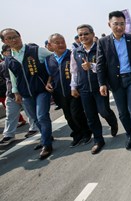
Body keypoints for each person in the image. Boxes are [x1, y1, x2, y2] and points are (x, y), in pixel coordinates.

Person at [96, 11, 131, 155]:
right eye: (116, 24)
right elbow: (100, 64)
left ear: (125, 24)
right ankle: (129, 134)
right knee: (123, 113)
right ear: (109, 24)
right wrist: (102, 83)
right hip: (115, 81)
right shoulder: (103, 42)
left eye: (122, 24)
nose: (119, 27)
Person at [1, 28, 53, 159]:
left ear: (20, 36)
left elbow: (54, 61)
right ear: (5, 41)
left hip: (41, 90)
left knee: (42, 116)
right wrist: (16, 92)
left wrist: (50, 80)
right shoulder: (8, 59)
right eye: (9, 38)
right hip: (25, 94)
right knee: (35, 118)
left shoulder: (36, 50)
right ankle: (46, 137)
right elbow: (13, 77)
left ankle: (46, 144)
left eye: (15, 36)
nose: (14, 40)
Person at [70, 24, 118, 154]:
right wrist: (74, 86)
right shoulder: (75, 52)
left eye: (86, 34)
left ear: (92, 34)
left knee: (104, 111)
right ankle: (98, 140)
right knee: (90, 116)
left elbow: (107, 67)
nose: (83, 37)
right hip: (84, 88)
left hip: (100, 86)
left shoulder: (100, 48)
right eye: (80, 35)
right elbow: (74, 71)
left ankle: (113, 123)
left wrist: (91, 65)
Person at [45, 33, 92, 147]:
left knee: (77, 114)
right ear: (50, 45)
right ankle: (77, 135)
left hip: (74, 90)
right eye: (57, 43)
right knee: (68, 116)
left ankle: (86, 133)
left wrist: (76, 87)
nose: (61, 44)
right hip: (59, 93)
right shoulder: (48, 59)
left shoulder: (73, 55)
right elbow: (50, 74)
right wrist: (48, 83)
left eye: (63, 41)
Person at [0, 44, 34, 144]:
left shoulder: (21, 60)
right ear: (3, 53)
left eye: (10, 49)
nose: (9, 52)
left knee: (30, 112)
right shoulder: (3, 65)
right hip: (10, 93)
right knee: (10, 115)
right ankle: (8, 135)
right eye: (7, 50)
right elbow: (5, 79)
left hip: (24, 91)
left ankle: (34, 128)